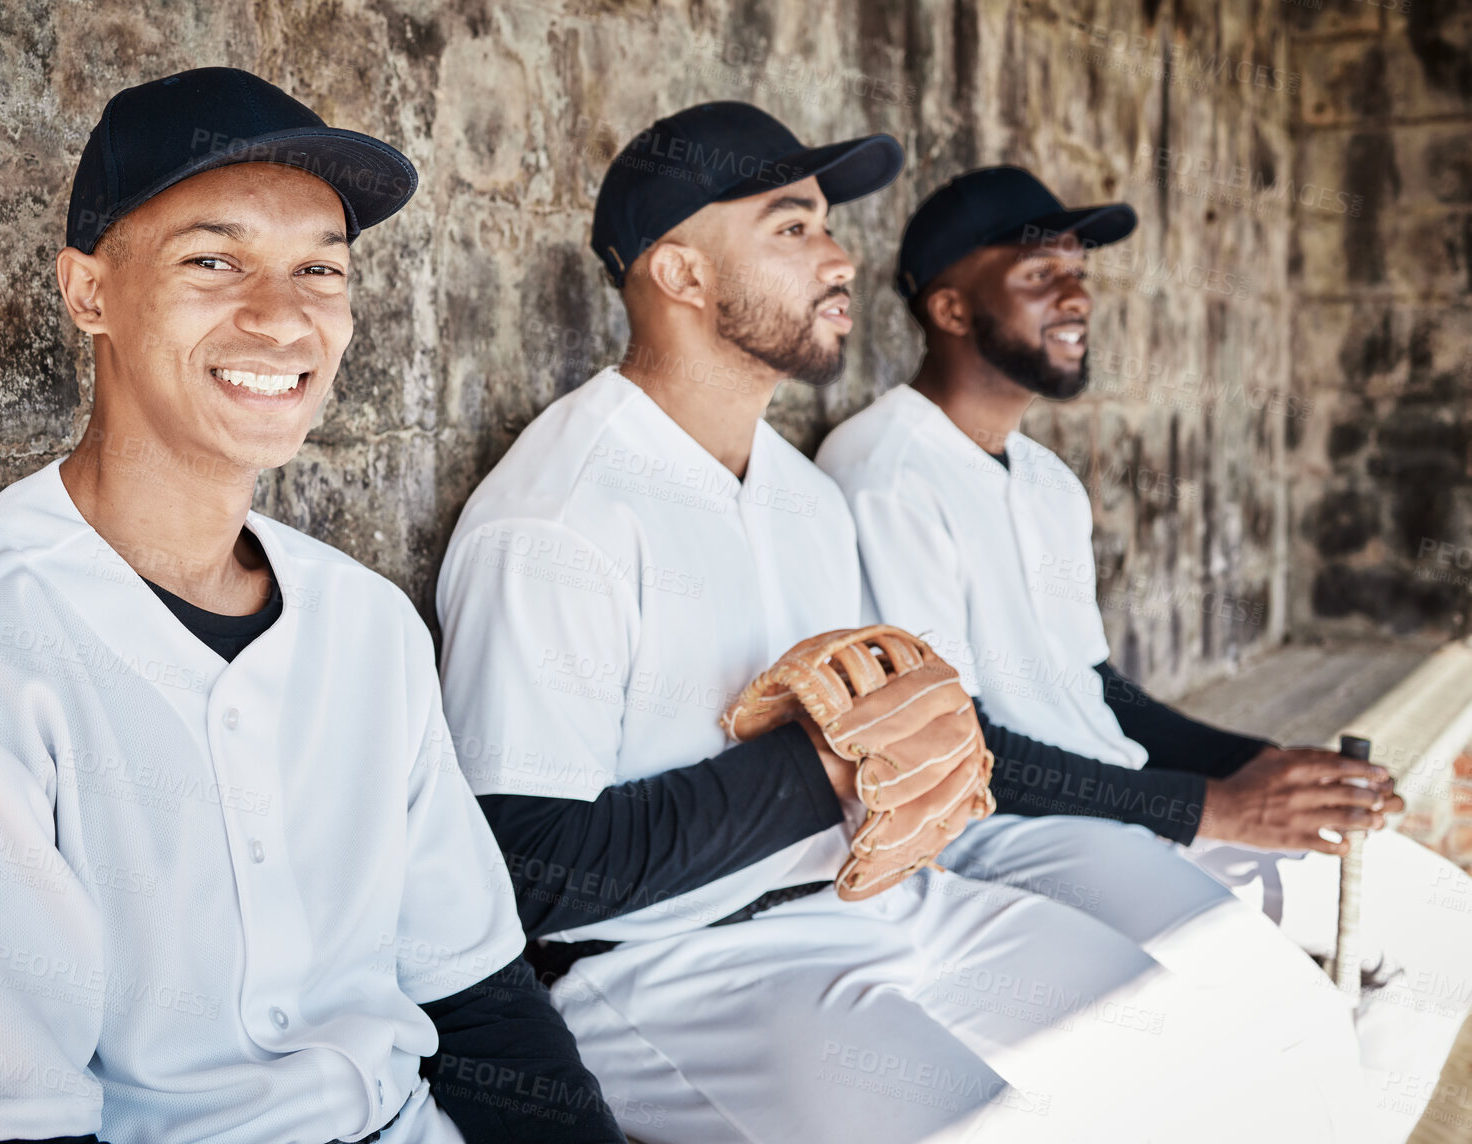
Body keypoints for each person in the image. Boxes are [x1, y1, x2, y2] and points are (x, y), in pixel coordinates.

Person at [436, 103, 1371, 1143]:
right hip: (676, 963)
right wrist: (822, 765)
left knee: (1216, 1047)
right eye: (791, 227)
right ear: (681, 274)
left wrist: (892, 770)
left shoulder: (803, 493)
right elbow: (527, 872)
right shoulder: (557, 515)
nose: (838, 256)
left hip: (884, 900)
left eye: (828, 225)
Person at [0, 68, 622, 1144]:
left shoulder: (368, 624)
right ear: (88, 292)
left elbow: (482, 1001)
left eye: (319, 269)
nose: (282, 317)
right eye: (214, 260)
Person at [816, 163, 1472, 1143]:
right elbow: (944, 749)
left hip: (1120, 803)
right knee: (1269, 1018)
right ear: (949, 305)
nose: (1076, 293)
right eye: (1039, 272)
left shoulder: (1043, 480)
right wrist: (1212, 804)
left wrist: (1256, 764)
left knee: (1441, 926)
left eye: (1079, 270)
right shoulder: (881, 471)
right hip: (997, 837)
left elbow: (1095, 691)